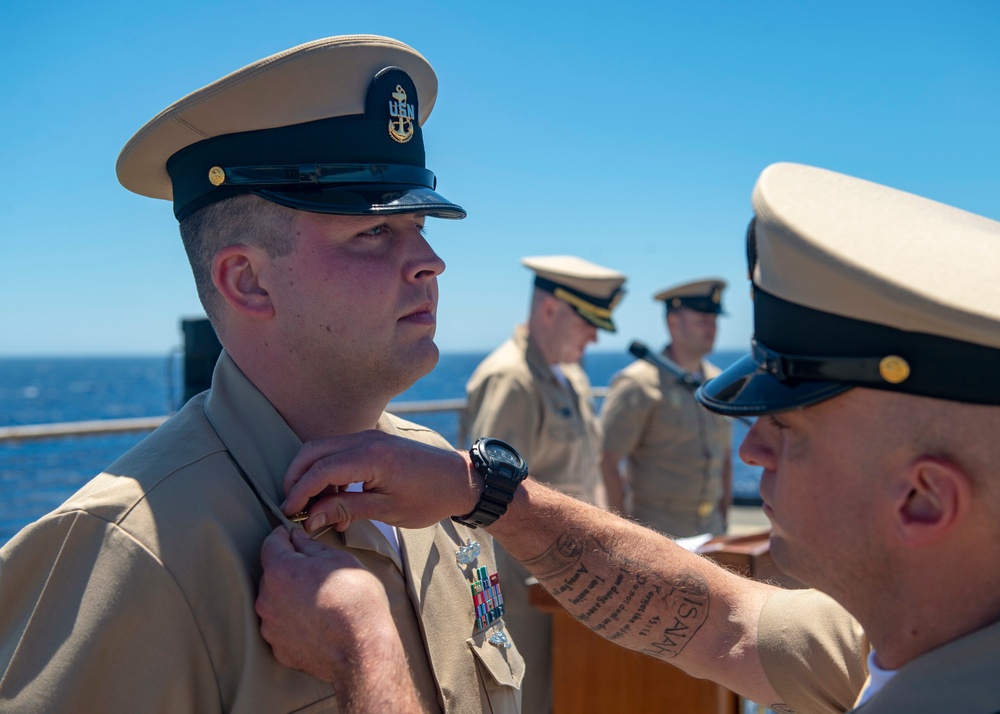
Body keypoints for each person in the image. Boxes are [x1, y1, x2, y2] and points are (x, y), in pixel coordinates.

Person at [260, 162, 1000, 713]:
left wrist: (365, 653)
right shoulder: (909, 635)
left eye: (787, 429)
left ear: (924, 499)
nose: (751, 452)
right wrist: (479, 490)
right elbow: (723, 623)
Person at [0, 36, 524, 713]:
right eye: (374, 232)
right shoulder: (129, 557)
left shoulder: (442, 482)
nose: (430, 261)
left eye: (420, 226)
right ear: (247, 281)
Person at [461, 254, 626, 713]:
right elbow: (485, 500)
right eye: (588, 323)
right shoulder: (512, 379)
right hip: (525, 592)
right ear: (551, 311)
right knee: (532, 700)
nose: (594, 337)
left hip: (569, 580)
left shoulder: (566, 374)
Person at [600, 279, 733, 535]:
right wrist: (625, 536)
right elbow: (606, 461)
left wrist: (724, 518)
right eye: (702, 320)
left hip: (712, 529)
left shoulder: (718, 384)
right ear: (673, 323)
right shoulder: (639, 384)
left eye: (714, 320)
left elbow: (725, 457)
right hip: (659, 533)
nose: (712, 328)